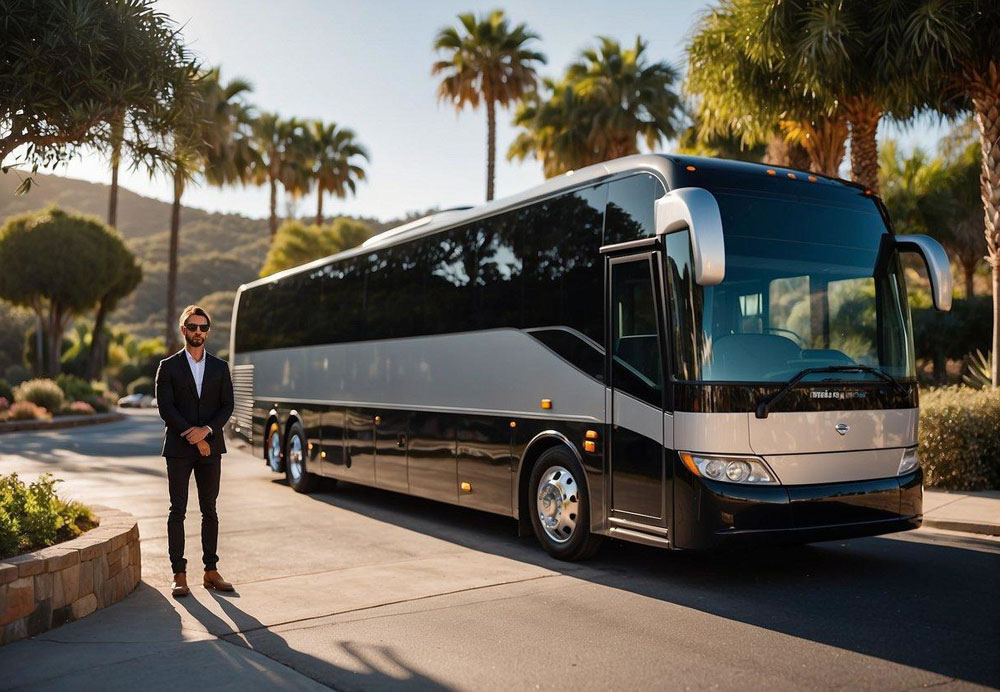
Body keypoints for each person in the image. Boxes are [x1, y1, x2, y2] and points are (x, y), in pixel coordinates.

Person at [154, 305, 235, 597]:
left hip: (211, 448)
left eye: (203, 327)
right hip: (179, 448)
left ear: (207, 331)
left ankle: (211, 571)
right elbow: (166, 408)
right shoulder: (168, 366)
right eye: (192, 326)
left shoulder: (219, 367)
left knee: (209, 510)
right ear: (183, 329)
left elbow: (227, 405)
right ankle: (179, 574)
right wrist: (193, 435)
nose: (198, 332)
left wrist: (208, 432)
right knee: (177, 510)